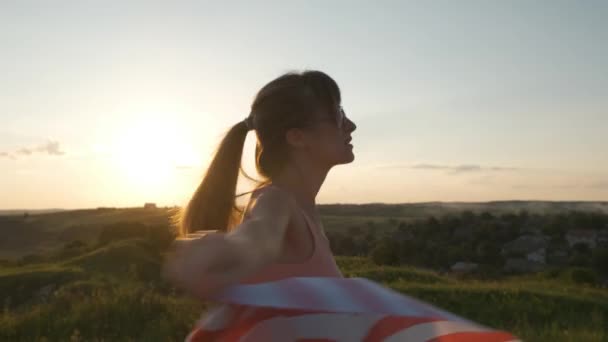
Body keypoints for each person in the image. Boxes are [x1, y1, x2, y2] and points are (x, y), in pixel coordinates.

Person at [162, 70, 357, 300]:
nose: (351, 126)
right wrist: (234, 249)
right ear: (297, 137)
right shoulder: (276, 200)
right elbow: (259, 236)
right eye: (338, 116)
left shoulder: (302, 210)